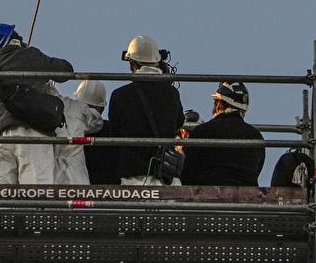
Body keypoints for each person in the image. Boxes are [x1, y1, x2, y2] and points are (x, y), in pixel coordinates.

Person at [0, 22, 74, 184]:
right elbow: (66, 71)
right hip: (33, 135)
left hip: (1, 138)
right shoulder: (29, 55)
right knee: (36, 193)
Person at [106, 35, 184, 185]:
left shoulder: (120, 95)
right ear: (157, 61)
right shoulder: (172, 94)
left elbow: (114, 135)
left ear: (132, 64)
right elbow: (178, 122)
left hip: (132, 177)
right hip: (165, 176)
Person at [181, 81, 265, 186]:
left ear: (218, 104)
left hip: (206, 196)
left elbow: (186, 171)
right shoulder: (256, 137)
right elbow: (255, 172)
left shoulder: (203, 131)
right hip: (247, 198)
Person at [55, 80, 107, 184]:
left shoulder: (58, 121)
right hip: (102, 187)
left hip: (60, 178)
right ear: (102, 108)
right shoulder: (108, 129)